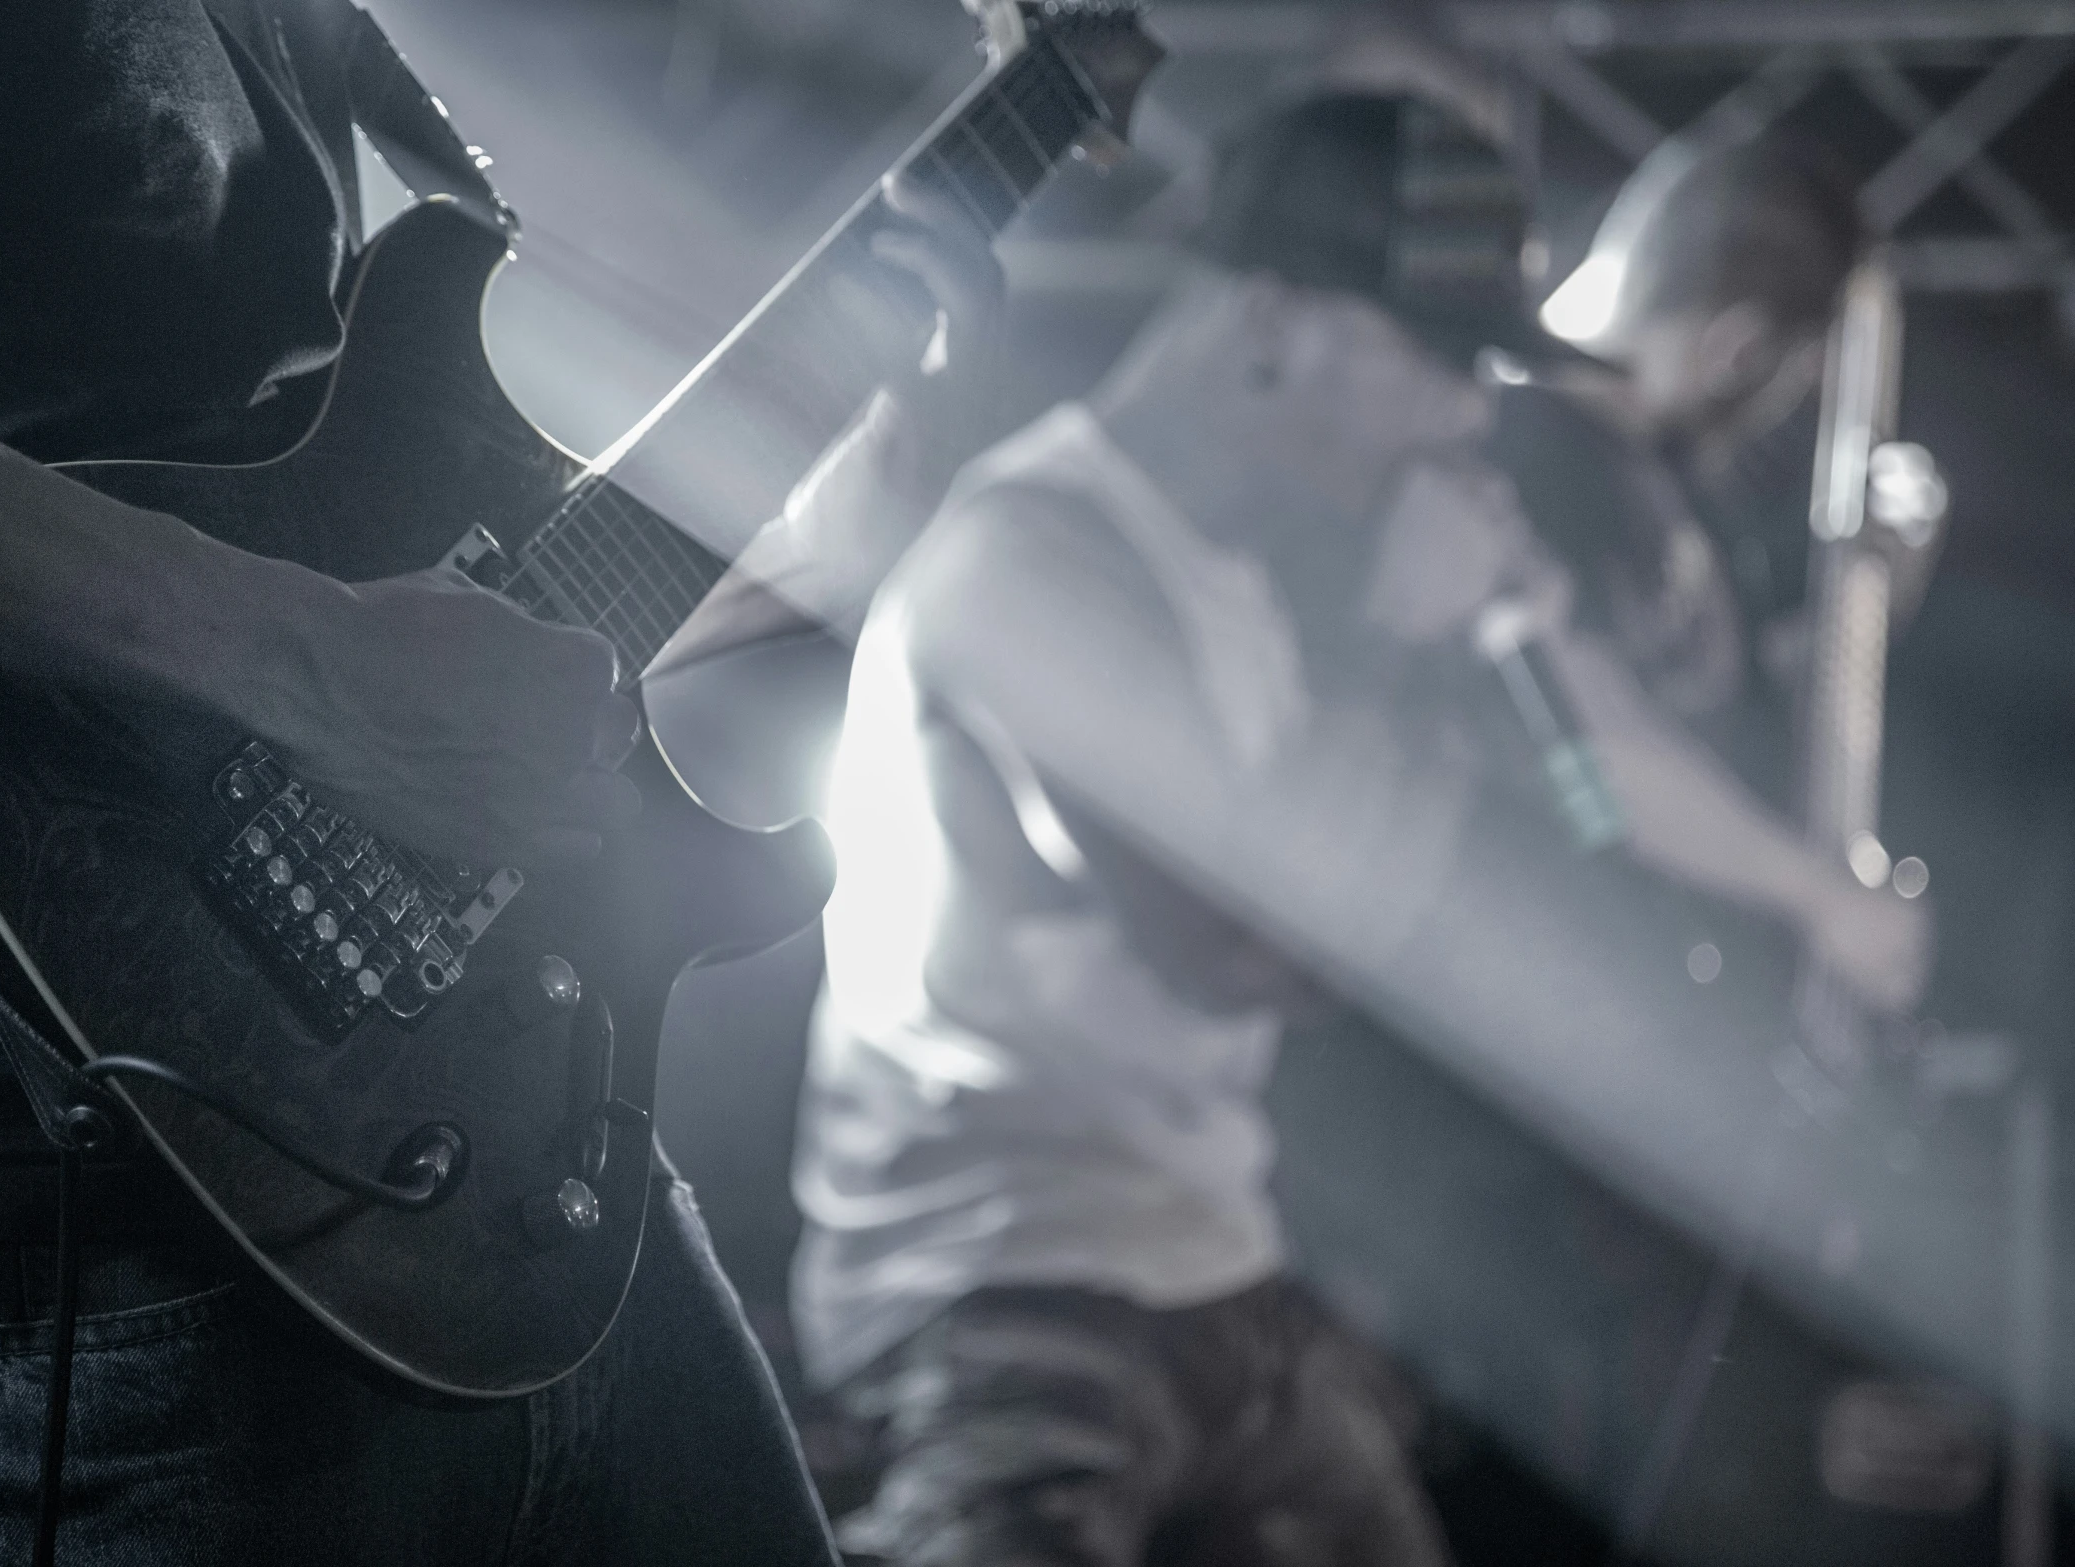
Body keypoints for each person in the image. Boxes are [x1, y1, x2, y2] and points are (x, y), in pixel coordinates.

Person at [0, 1, 994, 1561]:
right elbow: (331, 661)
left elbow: (471, 640)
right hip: (45, 1259)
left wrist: (860, 502)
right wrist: (302, 663)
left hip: (512, 1171)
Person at [784, 79, 1932, 1567]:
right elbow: (1236, 946)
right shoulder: (1032, 560)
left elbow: (1510, 843)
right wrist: (1398, 650)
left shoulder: (1248, 573)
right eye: (1437, 356)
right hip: (998, 1290)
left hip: (1202, 1263)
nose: (1468, 412)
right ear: (1268, 318)